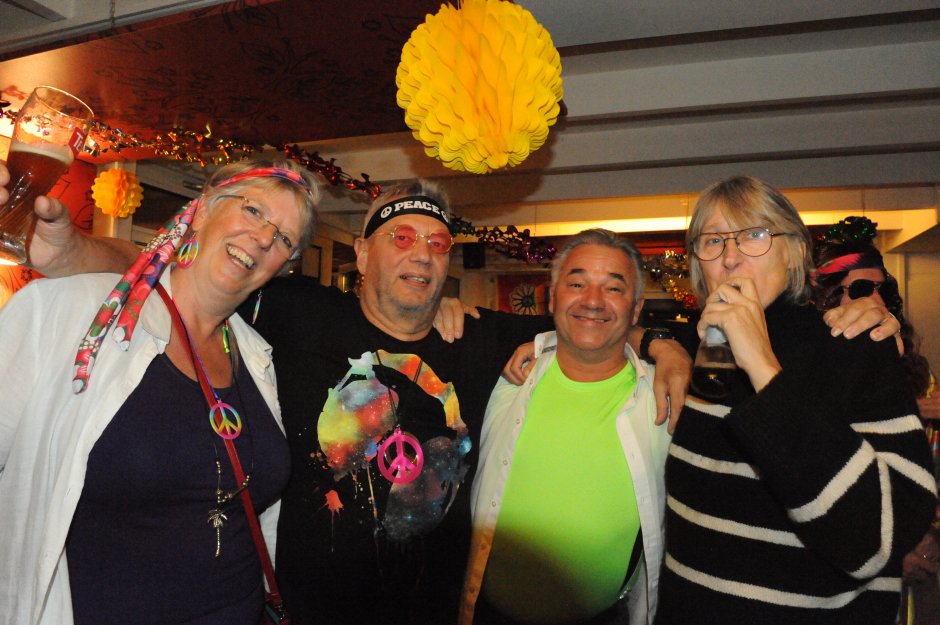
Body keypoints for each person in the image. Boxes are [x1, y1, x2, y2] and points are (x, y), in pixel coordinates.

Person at [13, 172, 694, 625]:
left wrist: (664, 343)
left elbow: (590, 318)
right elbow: (181, 269)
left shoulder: (480, 338)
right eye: (401, 238)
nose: (422, 255)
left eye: (437, 244)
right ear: (362, 256)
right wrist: (73, 252)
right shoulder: (294, 312)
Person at [0, 157, 321, 624]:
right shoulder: (71, 314)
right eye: (253, 211)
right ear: (203, 209)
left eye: (285, 239)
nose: (264, 238)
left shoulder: (259, 357)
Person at [654, 176, 937, 624]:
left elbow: (878, 541)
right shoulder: (698, 350)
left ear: (796, 253)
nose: (730, 257)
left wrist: (762, 363)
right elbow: (597, 326)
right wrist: (655, 341)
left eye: (755, 234)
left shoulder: (855, 345)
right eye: (712, 240)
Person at [462, 229, 671, 625]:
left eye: (614, 288)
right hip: (485, 614)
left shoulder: (664, 398)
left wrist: (667, 346)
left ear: (636, 309)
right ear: (552, 296)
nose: (593, 300)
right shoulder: (504, 375)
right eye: (577, 284)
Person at [812, 235, 940, 587]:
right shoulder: (800, 366)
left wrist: (923, 533)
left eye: (883, 289)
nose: (878, 301)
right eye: (861, 289)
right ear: (824, 297)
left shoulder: (910, 366)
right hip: (838, 570)